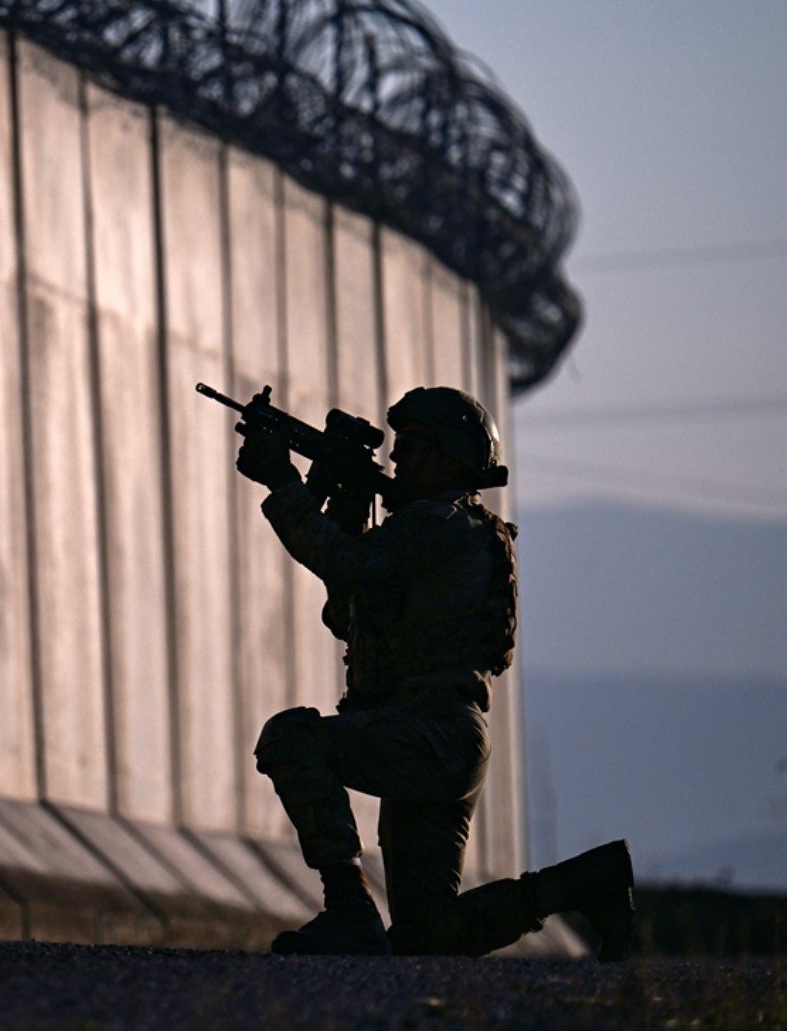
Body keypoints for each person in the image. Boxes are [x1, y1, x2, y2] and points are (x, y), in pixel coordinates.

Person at [236, 385, 635, 959]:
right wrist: (340, 503)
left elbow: (349, 561)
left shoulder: (442, 525)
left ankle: (348, 908)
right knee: (428, 934)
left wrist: (285, 484)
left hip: (433, 733)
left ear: (449, 457)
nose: (396, 460)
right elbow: (349, 608)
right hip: (434, 737)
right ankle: (582, 884)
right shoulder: (432, 532)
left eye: (412, 447)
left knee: (292, 739)